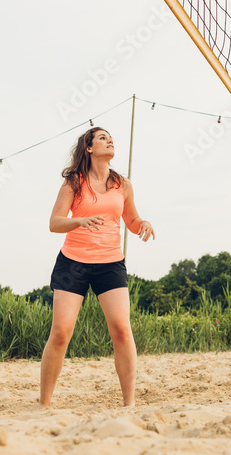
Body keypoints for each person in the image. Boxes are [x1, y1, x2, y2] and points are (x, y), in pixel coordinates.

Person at [39, 127, 156, 409]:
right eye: (102, 137)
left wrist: (144, 224)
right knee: (61, 333)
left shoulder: (122, 184)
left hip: (110, 263)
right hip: (73, 262)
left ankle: (129, 404)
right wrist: (78, 221)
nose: (109, 140)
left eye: (110, 137)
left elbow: (132, 219)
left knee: (121, 330)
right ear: (89, 148)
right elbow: (54, 223)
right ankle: (44, 405)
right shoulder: (74, 183)